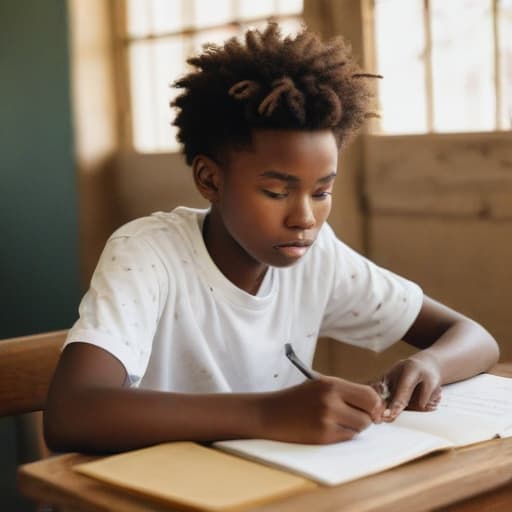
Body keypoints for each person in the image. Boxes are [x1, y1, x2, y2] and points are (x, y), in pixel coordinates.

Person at [43, 23, 499, 454]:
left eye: (322, 192)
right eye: (276, 191)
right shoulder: (147, 254)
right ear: (209, 179)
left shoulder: (319, 258)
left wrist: (428, 366)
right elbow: (71, 414)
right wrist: (267, 412)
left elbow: (475, 338)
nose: (304, 218)